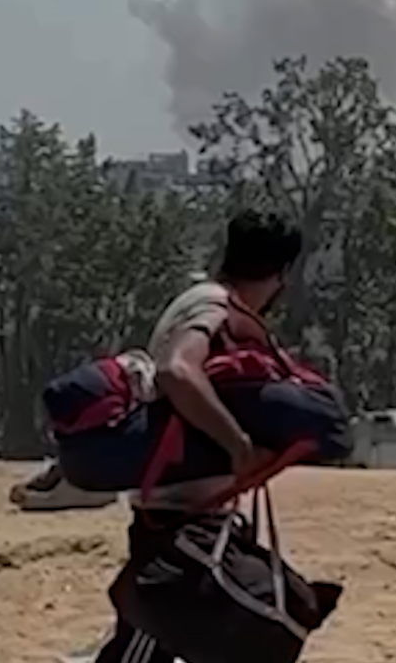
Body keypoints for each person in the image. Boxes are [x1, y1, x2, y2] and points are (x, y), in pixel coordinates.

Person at [95, 209, 303, 663]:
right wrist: (237, 443)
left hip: (192, 510)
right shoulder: (212, 307)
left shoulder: (210, 303)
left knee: (181, 632)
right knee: (150, 640)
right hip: (176, 512)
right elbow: (178, 370)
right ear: (280, 275)